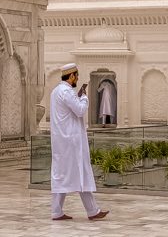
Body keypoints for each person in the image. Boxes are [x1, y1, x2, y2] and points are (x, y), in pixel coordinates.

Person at [49, 63, 108, 222]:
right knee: (81, 173)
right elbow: (80, 110)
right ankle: (92, 211)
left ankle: (57, 212)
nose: (77, 79)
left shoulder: (56, 91)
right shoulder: (67, 92)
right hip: (71, 142)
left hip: (62, 141)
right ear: (72, 76)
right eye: (77, 76)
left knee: (61, 174)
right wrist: (84, 97)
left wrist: (78, 96)